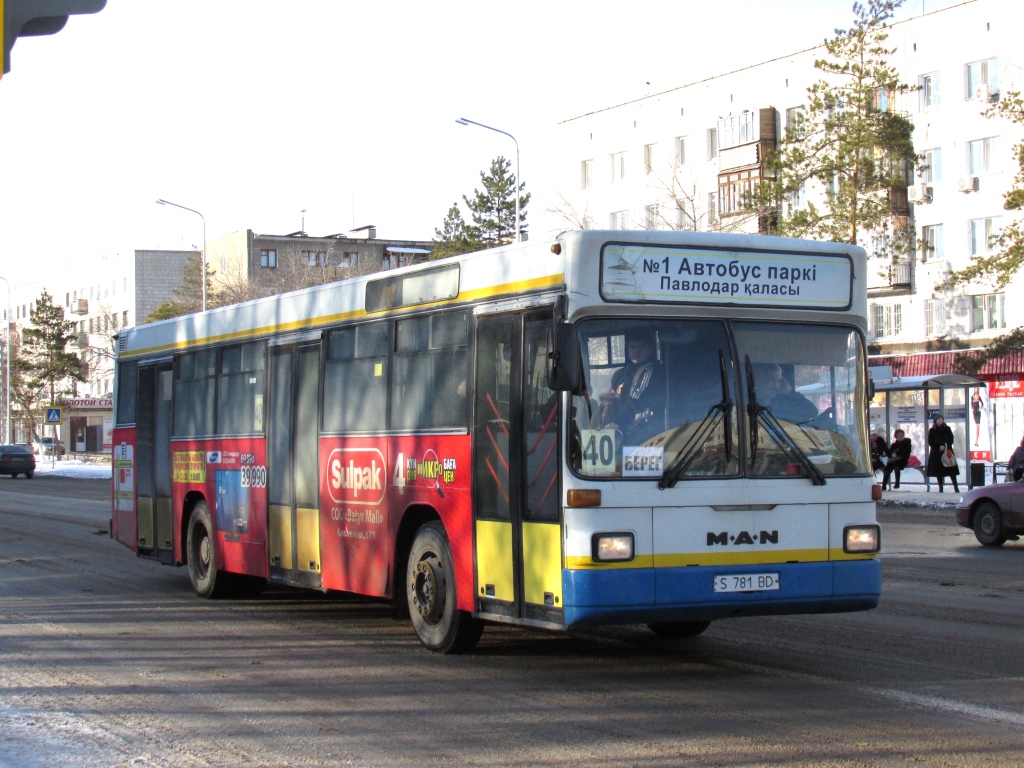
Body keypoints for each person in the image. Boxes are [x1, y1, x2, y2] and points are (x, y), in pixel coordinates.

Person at [599, 329, 664, 442]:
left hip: (645, 432)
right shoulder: (624, 373)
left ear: (650, 350)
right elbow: (615, 397)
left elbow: (635, 401)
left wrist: (618, 422)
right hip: (627, 430)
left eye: (641, 348)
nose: (636, 352)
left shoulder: (650, 370)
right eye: (632, 347)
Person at [753, 363, 818, 424]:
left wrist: (790, 392)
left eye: (779, 381)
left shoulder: (779, 402)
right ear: (759, 381)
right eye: (771, 380)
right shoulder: (752, 403)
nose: (776, 385)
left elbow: (812, 412)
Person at [927, 415, 960, 493]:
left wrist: (946, 446)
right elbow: (930, 442)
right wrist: (938, 447)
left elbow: (951, 439)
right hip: (936, 453)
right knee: (939, 471)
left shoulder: (947, 429)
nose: (940, 420)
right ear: (935, 421)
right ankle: (940, 487)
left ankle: (956, 487)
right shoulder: (932, 430)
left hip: (947, 451)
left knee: (951, 469)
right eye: (938, 419)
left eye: (941, 419)